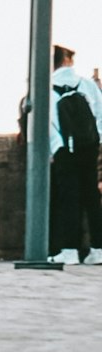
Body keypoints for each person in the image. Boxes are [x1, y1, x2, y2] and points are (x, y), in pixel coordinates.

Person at [47, 45, 102, 265]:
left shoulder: (46, 87)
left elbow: (48, 122)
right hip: (89, 147)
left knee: (68, 198)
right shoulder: (86, 84)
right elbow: (100, 114)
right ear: (68, 61)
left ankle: (69, 249)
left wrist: (57, 147)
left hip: (64, 149)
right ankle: (98, 248)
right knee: (92, 197)